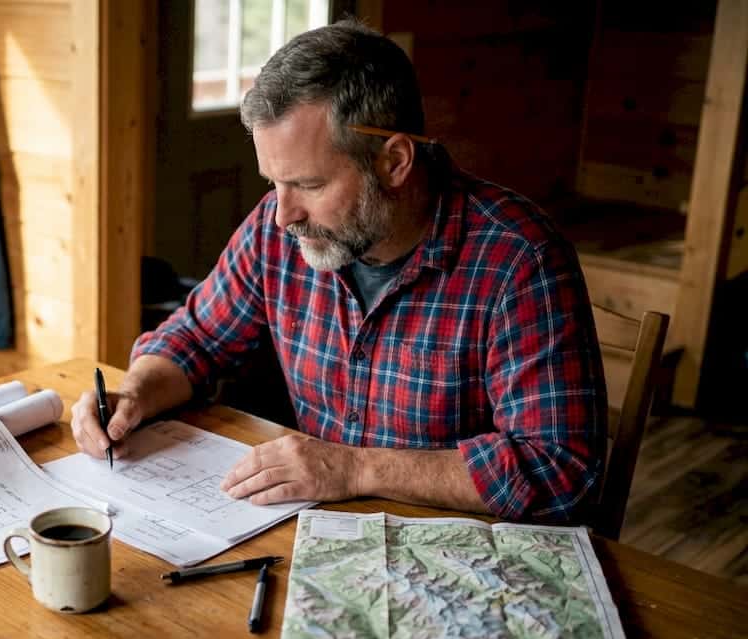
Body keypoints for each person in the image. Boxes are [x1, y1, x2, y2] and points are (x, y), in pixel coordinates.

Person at [70, 20, 607, 523]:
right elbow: (197, 337)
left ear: (394, 162)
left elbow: (560, 466)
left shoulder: (518, 260)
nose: (284, 213)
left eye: (308, 185)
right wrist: (136, 393)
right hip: (313, 532)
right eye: (274, 183)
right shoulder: (275, 229)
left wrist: (355, 468)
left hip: (459, 557)